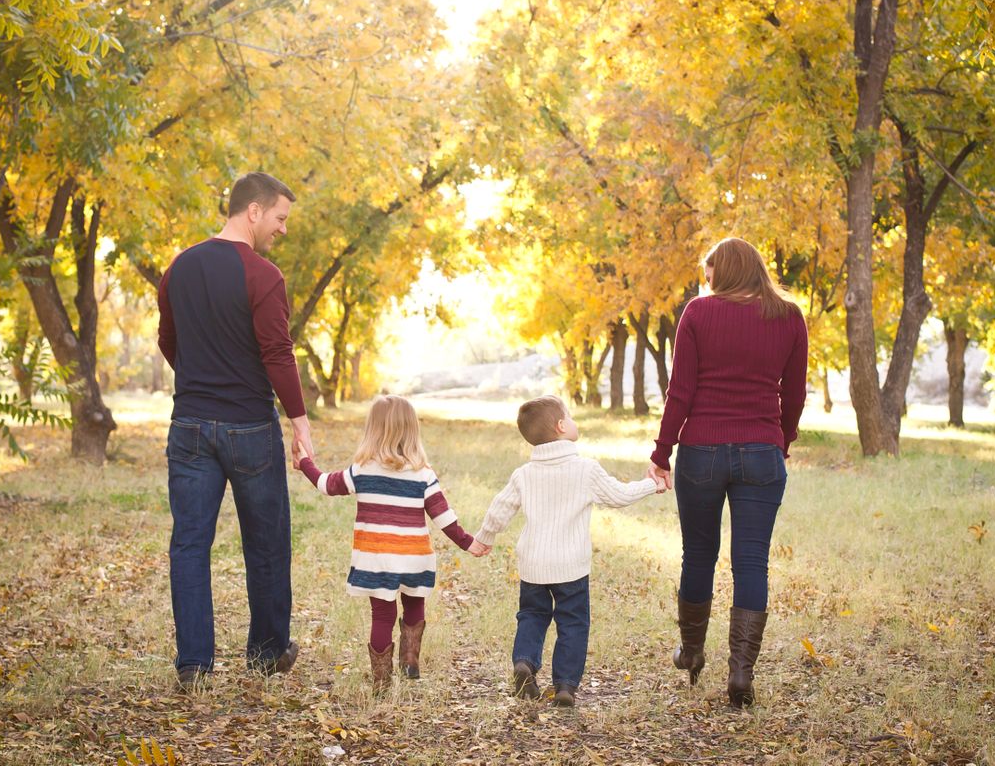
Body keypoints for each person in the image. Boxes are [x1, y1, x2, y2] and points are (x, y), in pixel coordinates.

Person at [157, 171, 315, 689]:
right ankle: (268, 654)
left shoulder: (178, 267)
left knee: (190, 543)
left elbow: (168, 340)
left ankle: (194, 665)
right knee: (266, 543)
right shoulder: (263, 276)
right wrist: (300, 422)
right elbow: (276, 352)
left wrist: (201, 380)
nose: (283, 229)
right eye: (280, 218)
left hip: (190, 427)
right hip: (250, 427)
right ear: (253, 211)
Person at [647, 237, 808, 708]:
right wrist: (784, 439)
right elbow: (793, 394)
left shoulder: (698, 314)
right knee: (751, 562)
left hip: (701, 451)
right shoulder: (789, 316)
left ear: (726, 270)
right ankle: (741, 673)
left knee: (698, 555)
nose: (707, 280)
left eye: (710, 271)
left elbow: (681, 391)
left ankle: (693, 652)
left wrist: (662, 451)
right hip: (762, 452)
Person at [471, 396, 665, 707]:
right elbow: (617, 495)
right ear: (562, 426)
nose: (574, 422)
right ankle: (564, 686)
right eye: (571, 418)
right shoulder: (585, 469)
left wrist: (484, 537)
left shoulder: (524, 474)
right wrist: (650, 485)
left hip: (534, 563)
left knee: (532, 615)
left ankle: (524, 663)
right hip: (571, 565)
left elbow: (499, 509)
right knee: (573, 622)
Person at [294, 395, 484, 691]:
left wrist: (304, 462)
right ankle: (410, 661)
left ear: (373, 430)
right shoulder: (423, 473)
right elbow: (442, 516)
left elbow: (325, 485)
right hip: (414, 556)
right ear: (412, 431)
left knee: (382, 615)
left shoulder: (361, 470)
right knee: (414, 604)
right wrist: (467, 542)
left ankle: (381, 682)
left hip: (377, 559)